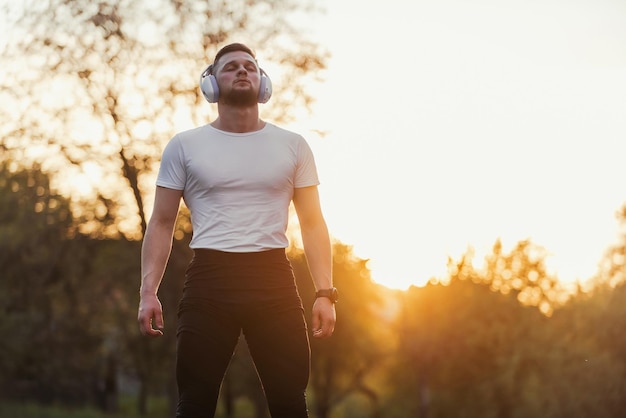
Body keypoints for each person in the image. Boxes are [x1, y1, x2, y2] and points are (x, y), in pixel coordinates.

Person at [137, 42, 337, 418]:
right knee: (193, 404)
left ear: (263, 82)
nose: (242, 71)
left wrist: (325, 292)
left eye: (250, 66)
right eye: (230, 67)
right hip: (210, 281)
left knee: (291, 404)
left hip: (274, 280)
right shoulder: (184, 146)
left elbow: (312, 223)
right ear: (210, 84)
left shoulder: (293, 145)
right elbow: (161, 222)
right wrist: (148, 292)